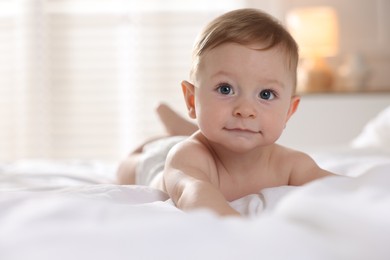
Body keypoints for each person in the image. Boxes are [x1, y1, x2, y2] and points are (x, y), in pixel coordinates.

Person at [117, 8, 337, 217]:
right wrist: (243, 234)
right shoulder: (187, 158)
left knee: (208, 126)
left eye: (266, 94)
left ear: (289, 111)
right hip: (159, 159)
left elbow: (347, 189)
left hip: (206, 133)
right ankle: (172, 132)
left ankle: (182, 128)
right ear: (192, 100)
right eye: (225, 89)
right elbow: (197, 196)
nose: (245, 110)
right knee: (125, 168)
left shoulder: (292, 164)